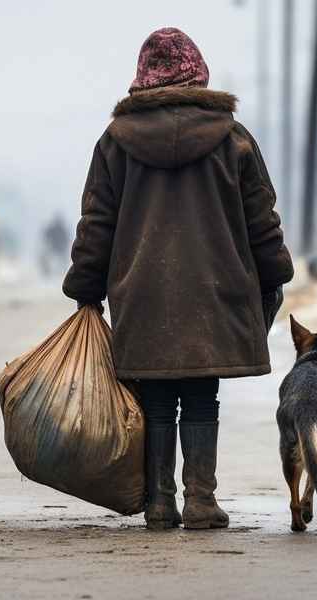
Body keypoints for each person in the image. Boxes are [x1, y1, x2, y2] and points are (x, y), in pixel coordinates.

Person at [63, 27, 293, 530]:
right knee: (201, 395)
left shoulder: (115, 143)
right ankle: (201, 500)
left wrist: (85, 285)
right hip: (214, 288)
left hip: (142, 291)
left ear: (142, 77)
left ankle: (160, 501)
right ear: (198, 74)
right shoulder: (232, 138)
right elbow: (261, 216)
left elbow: (97, 220)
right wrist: (276, 271)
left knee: (157, 397)